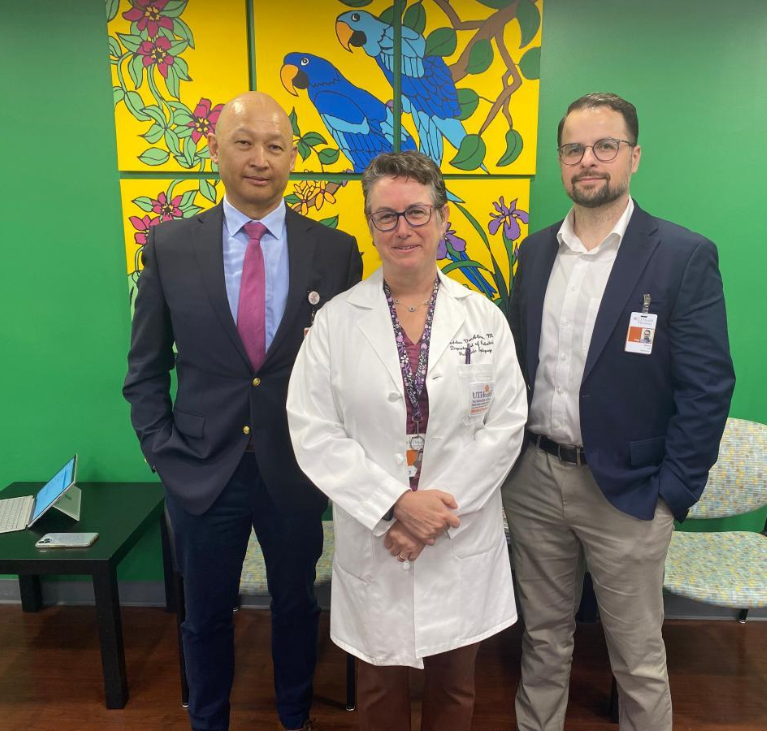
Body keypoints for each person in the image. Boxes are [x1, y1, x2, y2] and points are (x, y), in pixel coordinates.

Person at [123, 91, 362, 731]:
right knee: (203, 614)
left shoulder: (335, 252)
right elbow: (145, 370)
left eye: (276, 146)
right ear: (217, 150)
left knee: (294, 606)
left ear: (292, 159)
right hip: (200, 470)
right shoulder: (171, 245)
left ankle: (294, 717)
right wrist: (163, 455)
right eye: (245, 142)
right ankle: (208, 720)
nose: (261, 159)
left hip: (295, 468)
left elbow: (348, 370)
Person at [505, 92, 735, 730]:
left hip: (631, 492)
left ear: (634, 155)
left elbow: (708, 385)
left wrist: (673, 493)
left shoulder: (682, 255)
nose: (588, 161)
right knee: (543, 640)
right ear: (561, 161)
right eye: (574, 149)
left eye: (605, 146)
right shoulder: (535, 252)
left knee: (636, 655)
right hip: (534, 481)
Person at [287, 150, 527, 731]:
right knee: (377, 690)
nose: (403, 229)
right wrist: (398, 505)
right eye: (386, 216)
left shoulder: (484, 319)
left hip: (455, 527)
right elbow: (314, 429)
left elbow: (506, 424)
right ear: (370, 226)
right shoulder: (337, 323)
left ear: (443, 219)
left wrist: (433, 514)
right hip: (379, 531)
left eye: (417, 212)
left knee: (454, 690)